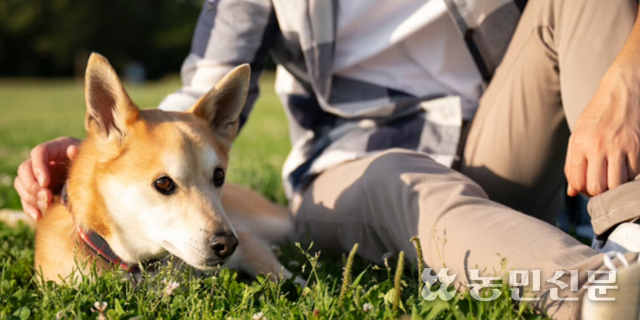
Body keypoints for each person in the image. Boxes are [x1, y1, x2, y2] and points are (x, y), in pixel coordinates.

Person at [14, 0, 640, 318]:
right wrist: (102, 149)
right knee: (400, 173)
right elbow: (197, 100)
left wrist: (628, 76)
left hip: (501, 151)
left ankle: (631, 237)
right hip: (358, 170)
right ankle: (593, 292)